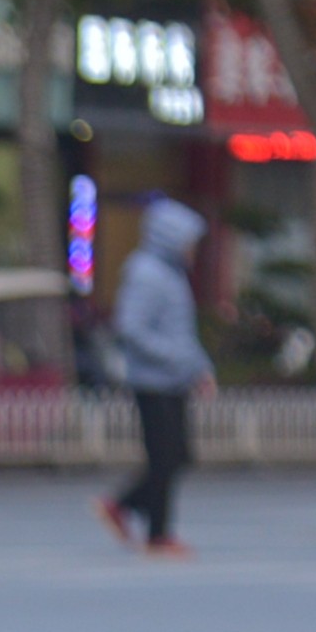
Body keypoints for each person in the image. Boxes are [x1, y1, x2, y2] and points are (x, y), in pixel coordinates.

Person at [98, 196, 213, 557]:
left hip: (172, 379)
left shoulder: (171, 274)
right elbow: (132, 328)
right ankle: (156, 532)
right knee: (166, 457)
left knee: (177, 455)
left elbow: (181, 330)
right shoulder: (147, 272)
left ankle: (127, 508)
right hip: (152, 381)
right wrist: (178, 360)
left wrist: (198, 367)